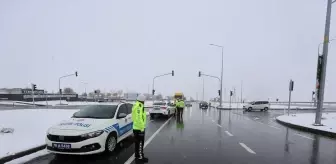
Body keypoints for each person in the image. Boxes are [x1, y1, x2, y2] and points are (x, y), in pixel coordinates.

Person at [132, 94, 149, 163]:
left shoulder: (136, 105)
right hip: (139, 128)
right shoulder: (139, 107)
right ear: (142, 100)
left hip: (136, 128)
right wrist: (142, 128)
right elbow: (139, 119)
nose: (144, 102)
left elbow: (134, 118)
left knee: (137, 143)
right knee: (140, 144)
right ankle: (140, 158)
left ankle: (137, 155)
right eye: (144, 100)